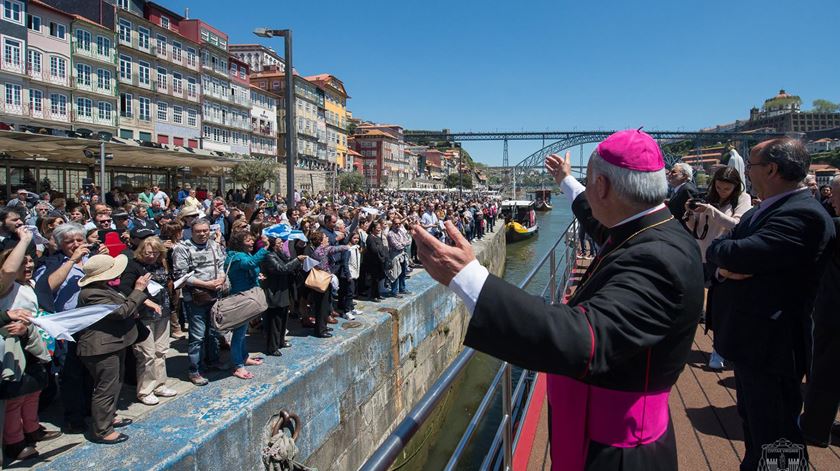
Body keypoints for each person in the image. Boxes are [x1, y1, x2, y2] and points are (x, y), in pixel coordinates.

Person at [412, 130, 704, 470]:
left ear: (604, 187)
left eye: (588, 182)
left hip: (618, 453)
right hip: (607, 431)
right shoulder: (652, 229)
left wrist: (467, 277)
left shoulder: (656, 260)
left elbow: (586, 340)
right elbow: (602, 226)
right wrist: (567, 181)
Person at [707, 138, 835, 471]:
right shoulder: (772, 208)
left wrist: (722, 257)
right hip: (754, 343)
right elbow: (726, 248)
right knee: (757, 429)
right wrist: (723, 263)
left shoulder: (803, 215)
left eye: (751, 165)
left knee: (777, 438)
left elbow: (734, 250)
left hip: (772, 347)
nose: (747, 172)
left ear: (772, 169)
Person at [0, 230, 61, 461]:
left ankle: (32, 428)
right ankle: (14, 442)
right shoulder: (6, 287)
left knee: (34, 389)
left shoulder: (32, 283)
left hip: (34, 342)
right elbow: (7, 271)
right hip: (13, 347)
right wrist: (25, 239)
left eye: (30, 262)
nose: (28, 266)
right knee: (15, 396)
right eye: (22, 262)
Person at [77, 254, 150, 444]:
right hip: (101, 348)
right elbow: (120, 312)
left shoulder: (103, 288)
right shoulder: (92, 293)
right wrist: (139, 290)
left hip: (114, 343)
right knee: (105, 388)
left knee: (115, 383)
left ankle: (109, 418)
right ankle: (102, 430)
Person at [684, 166, 751, 370]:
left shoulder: (743, 199)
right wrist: (690, 213)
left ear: (736, 186)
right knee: (698, 302)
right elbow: (695, 228)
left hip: (723, 258)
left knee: (721, 306)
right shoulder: (709, 198)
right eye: (719, 187)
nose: (722, 191)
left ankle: (719, 349)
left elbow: (737, 225)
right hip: (702, 256)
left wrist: (711, 211)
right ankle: (718, 346)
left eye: (727, 188)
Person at [801, 175, 840, 447]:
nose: (830, 199)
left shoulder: (835, 229)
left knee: (825, 371)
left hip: (833, 314)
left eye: (835, 194)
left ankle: (814, 428)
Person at [120, 237, 177, 406]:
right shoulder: (133, 265)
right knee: (146, 354)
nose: (152, 256)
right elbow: (125, 288)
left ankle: (160, 384)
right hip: (143, 315)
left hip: (163, 312)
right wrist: (145, 301)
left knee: (161, 351)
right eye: (148, 253)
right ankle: (145, 390)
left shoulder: (161, 264)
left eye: (155, 252)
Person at [171, 220, 226, 386]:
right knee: (197, 335)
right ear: (191, 232)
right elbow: (181, 275)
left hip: (215, 295)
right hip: (196, 298)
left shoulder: (214, 245)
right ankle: (194, 369)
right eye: (198, 231)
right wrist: (206, 284)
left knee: (214, 331)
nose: (202, 234)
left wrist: (222, 278)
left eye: (205, 231)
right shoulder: (183, 248)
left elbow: (221, 264)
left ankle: (213, 360)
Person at [224, 231, 269, 380]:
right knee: (238, 334)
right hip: (240, 299)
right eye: (248, 241)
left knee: (243, 332)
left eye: (252, 241)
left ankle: (244, 357)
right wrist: (264, 248)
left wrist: (257, 276)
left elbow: (249, 269)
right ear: (239, 243)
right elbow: (249, 264)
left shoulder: (244, 254)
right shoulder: (237, 257)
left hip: (247, 296)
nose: (252, 243)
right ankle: (237, 365)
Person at [260, 237, 304, 356]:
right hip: (275, 292)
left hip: (283, 291)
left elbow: (287, 263)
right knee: (274, 321)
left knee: (283, 319)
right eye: (279, 243)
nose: (281, 245)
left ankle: (280, 341)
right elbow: (282, 269)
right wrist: (297, 260)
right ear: (273, 245)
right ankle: (272, 347)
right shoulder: (269, 256)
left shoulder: (279, 254)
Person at [666, 162, 699, 226]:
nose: (669, 174)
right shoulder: (679, 189)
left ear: (684, 176)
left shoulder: (687, 190)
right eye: (670, 172)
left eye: (673, 172)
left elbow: (692, 215)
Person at [363, 222, 388, 303]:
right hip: (373, 262)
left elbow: (381, 248)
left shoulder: (377, 237)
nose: (379, 229)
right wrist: (381, 249)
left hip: (379, 262)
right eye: (377, 227)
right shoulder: (370, 238)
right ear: (373, 228)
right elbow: (374, 250)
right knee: (374, 280)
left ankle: (377, 294)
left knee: (378, 279)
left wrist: (382, 250)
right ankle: (373, 296)